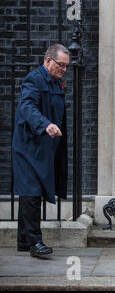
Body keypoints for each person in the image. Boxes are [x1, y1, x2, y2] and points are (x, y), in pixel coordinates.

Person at [12, 44, 69, 257]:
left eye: (66, 66)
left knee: (30, 193)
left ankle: (24, 241)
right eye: (60, 65)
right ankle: (35, 243)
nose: (64, 69)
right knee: (31, 193)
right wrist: (45, 124)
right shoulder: (33, 80)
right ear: (47, 61)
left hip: (41, 147)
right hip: (27, 146)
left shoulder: (55, 82)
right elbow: (27, 106)